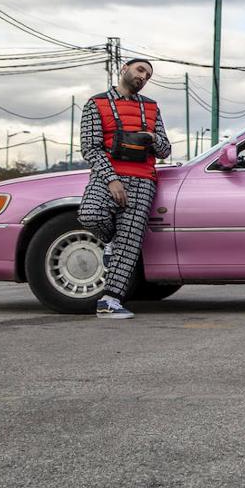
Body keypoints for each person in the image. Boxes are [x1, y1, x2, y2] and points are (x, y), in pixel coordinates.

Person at [77, 57, 171, 319]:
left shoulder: (151, 107)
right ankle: (110, 240)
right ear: (124, 69)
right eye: (140, 70)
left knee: (130, 242)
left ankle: (110, 301)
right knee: (90, 214)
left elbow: (165, 149)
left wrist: (152, 138)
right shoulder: (96, 103)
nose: (143, 77)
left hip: (143, 180)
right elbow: (90, 148)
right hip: (107, 177)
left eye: (148, 76)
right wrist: (112, 179)